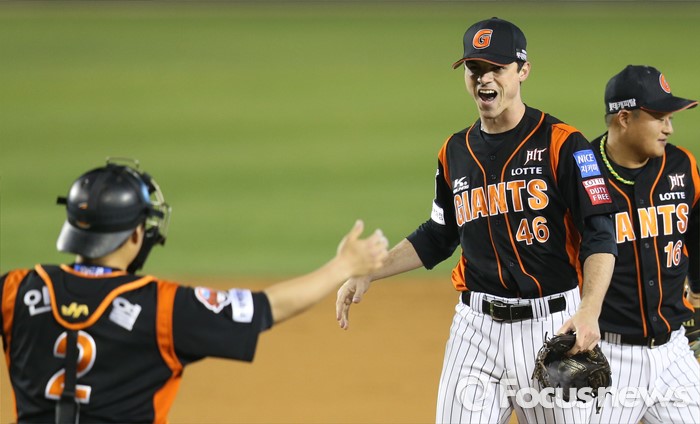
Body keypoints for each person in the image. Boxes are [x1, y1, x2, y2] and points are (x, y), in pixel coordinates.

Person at [335, 17, 618, 423]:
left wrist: (589, 310)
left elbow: (600, 233)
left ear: (523, 71)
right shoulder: (454, 151)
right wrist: (371, 270)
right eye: (474, 68)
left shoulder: (563, 143)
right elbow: (439, 234)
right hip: (475, 330)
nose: (484, 78)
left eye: (497, 68)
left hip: (552, 326)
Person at [0, 159, 389, 424]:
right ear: (135, 235)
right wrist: (342, 266)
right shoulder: (163, 307)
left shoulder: (14, 291)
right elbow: (267, 308)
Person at [588, 65, 700, 424]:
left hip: (674, 354)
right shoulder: (582, 172)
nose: (669, 128)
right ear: (624, 118)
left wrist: (697, 299)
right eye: (659, 118)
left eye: (670, 118)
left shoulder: (682, 165)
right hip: (606, 356)